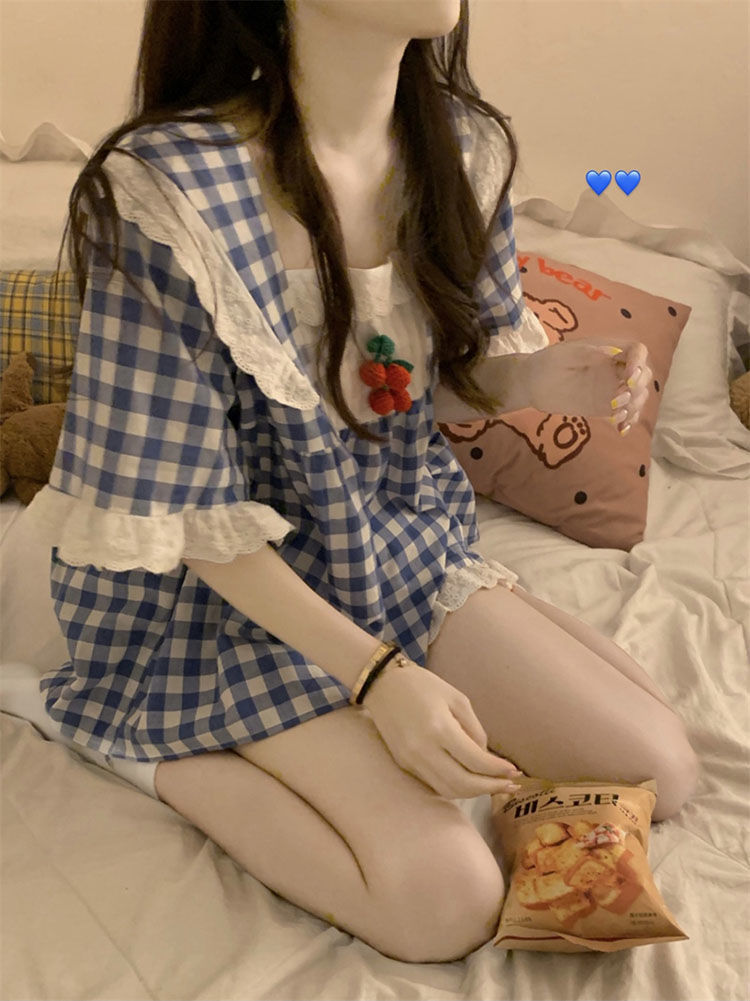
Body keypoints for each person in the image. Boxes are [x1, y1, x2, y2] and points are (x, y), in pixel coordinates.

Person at [28, 0, 698, 965]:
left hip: (391, 546)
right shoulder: (165, 189)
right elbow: (185, 513)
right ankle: (125, 740)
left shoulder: (462, 148)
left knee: (662, 769)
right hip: (221, 599)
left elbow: (427, 385)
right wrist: (377, 677)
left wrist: (542, 378)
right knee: (445, 904)